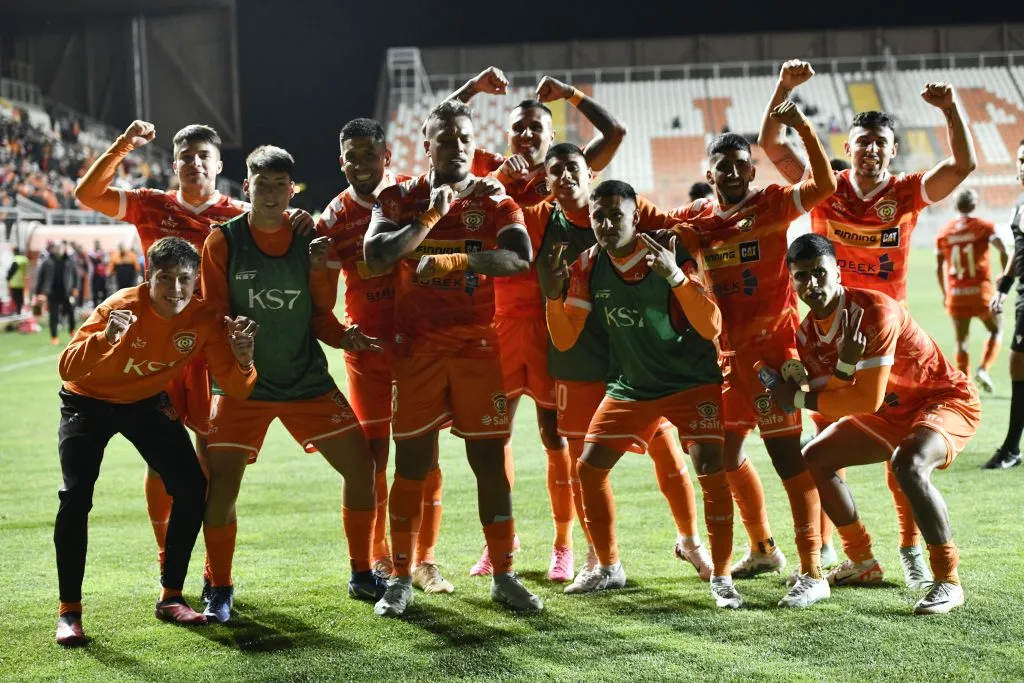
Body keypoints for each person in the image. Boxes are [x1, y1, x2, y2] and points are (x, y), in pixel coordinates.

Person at [759, 61, 977, 587]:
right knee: (823, 444)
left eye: (881, 141)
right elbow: (772, 143)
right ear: (849, 146)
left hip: (885, 329)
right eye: (863, 142)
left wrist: (950, 109)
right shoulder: (823, 186)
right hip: (826, 326)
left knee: (898, 448)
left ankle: (910, 550)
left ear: (892, 148)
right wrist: (784, 88)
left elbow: (962, 165)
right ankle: (847, 548)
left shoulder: (903, 193)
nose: (871, 150)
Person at [75, 120, 313, 585]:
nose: (195, 163)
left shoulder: (238, 213)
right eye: (186, 156)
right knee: (159, 459)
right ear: (174, 163)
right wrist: (124, 145)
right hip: (160, 351)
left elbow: (287, 222)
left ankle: (211, 569)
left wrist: (303, 218)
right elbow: (88, 194)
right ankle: (169, 557)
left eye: (204, 156)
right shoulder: (152, 205)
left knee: (213, 459)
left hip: (212, 352)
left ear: (219, 164)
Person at [364, 99, 542, 616]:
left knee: (490, 465)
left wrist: (457, 258)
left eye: (465, 138)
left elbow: (519, 257)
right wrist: (429, 219)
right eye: (446, 138)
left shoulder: (493, 199)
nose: (458, 146)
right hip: (415, 352)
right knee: (413, 467)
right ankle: (400, 578)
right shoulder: (399, 197)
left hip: (476, 351)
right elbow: (376, 257)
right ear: (427, 147)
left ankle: (504, 576)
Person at [448, 67, 628, 577]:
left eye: (536, 128)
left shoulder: (563, 173)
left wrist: (571, 94)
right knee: (493, 436)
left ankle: (563, 544)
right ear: (507, 135)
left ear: (553, 139)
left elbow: (614, 134)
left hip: (553, 327)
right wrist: (473, 90)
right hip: (499, 324)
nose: (526, 135)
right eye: (519, 128)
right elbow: (442, 128)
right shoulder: (488, 169)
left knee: (557, 438)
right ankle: (499, 542)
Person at [199, 145, 384, 623]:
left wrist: (345, 336)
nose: (273, 194)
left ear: (292, 190)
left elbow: (319, 317)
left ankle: (362, 572)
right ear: (246, 188)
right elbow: (212, 315)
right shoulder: (223, 242)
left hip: (305, 382)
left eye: (282, 185)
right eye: (263, 184)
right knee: (221, 486)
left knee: (361, 470)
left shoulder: (310, 240)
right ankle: (218, 587)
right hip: (244, 386)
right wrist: (233, 359)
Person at [670, 98, 838, 607]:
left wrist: (804, 128)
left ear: (752, 168)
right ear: (709, 172)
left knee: (788, 456)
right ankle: (764, 548)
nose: (735, 172)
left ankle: (814, 569)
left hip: (773, 353)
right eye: (725, 166)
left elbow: (823, 187)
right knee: (724, 455)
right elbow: (653, 224)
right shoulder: (697, 220)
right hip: (724, 357)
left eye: (743, 164)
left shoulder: (768, 204)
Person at [544, 179, 741, 608]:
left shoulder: (669, 247)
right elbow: (563, 340)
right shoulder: (586, 264)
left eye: (616, 214)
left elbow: (711, 326)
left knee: (710, 467)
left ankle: (723, 577)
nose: (607, 222)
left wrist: (673, 275)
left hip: (691, 381)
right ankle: (609, 567)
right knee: (589, 469)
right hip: (633, 387)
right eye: (599, 216)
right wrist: (552, 296)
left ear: (635, 216)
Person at [53, 236, 258, 646]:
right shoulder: (120, 306)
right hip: (86, 401)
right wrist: (105, 339)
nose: (175, 289)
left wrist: (245, 358)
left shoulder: (205, 317)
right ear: (149, 278)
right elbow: (66, 365)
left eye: (184, 279)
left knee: (192, 486)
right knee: (77, 497)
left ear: (196, 279)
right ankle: (69, 612)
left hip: (145, 402)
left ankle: (171, 596)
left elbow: (237, 387)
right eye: (165, 278)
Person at [769, 234, 980, 615]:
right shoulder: (806, 335)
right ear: (793, 281)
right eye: (802, 277)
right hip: (890, 415)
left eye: (820, 273)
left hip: (943, 400)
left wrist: (798, 398)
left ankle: (948, 580)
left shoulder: (874, 311)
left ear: (838, 270)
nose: (812, 284)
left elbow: (865, 400)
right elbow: (835, 396)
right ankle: (862, 560)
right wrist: (837, 372)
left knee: (908, 464)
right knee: (814, 457)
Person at [311, 117, 459, 593]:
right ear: (341, 161)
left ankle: (425, 559)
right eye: (351, 156)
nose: (360, 165)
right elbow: (321, 298)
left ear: (386, 157)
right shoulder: (332, 219)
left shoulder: (412, 199)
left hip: (419, 347)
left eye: (368, 155)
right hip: (369, 351)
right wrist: (340, 335)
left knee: (425, 456)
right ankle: (377, 558)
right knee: (373, 458)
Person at [935, 188, 1006, 392]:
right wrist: (1002, 276)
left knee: (961, 340)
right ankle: (983, 369)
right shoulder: (984, 227)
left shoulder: (944, 231)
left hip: (956, 294)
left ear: (955, 206)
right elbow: (1004, 250)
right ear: (974, 205)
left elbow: (938, 266)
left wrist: (945, 293)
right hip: (981, 293)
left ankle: (965, 387)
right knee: (995, 330)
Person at [986, 139, 1024, 469]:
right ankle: (1012, 447)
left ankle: (1011, 448)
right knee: (1018, 365)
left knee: (1018, 364)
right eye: (1021, 160)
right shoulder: (1021, 202)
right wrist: (1004, 286)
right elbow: (1017, 248)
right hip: (1022, 293)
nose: (1023, 166)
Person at [35, 241, 79, 344]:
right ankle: (54, 337)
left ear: (64, 249)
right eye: (57, 248)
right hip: (52, 293)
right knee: (53, 315)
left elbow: (76, 276)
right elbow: (40, 277)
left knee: (71, 313)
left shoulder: (70, 261)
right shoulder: (47, 261)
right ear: (53, 250)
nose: (59, 250)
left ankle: (72, 330)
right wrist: (37, 293)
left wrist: (75, 288)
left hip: (67, 292)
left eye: (61, 248)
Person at [88, 239, 110, 307]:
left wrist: (101, 258)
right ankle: (95, 305)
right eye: (96, 244)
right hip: (95, 275)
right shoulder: (91, 252)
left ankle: (104, 305)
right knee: (95, 291)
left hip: (103, 275)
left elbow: (107, 261)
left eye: (98, 244)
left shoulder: (104, 252)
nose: (97, 245)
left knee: (104, 290)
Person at [6, 245, 28, 313]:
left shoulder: (16, 260)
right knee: (20, 297)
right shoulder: (25, 259)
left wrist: (8, 278)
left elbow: (12, 270)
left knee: (15, 297)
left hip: (15, 282)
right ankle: (19, 310)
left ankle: (17, 310)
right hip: (22, 282)